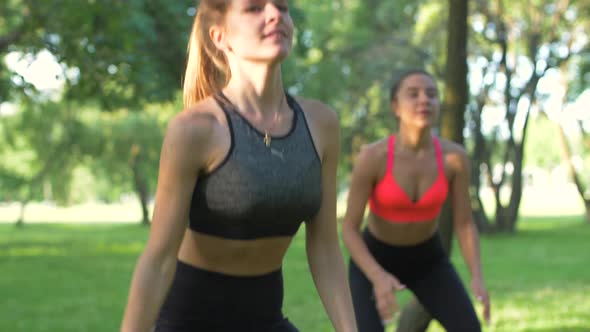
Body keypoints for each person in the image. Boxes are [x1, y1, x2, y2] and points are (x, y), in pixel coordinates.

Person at [120, 1, 357, 331]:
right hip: (190, 320)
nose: (275, 14)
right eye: (254, 8)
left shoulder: (321, 123)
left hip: (267, 318)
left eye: (283, 7)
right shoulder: (196, 128)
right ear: (220, 36)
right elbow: (158, 260)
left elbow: (326, 248)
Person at [341, 69, 491, 332]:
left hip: (427, 259)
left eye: (431, 94)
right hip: (375, 256)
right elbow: (349, 229)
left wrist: (477, 277)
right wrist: (377, 277)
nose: (424, 100)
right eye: (413, 94)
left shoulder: (454, 158)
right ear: (395, 107)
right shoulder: (372, 156)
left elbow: (465, 224)